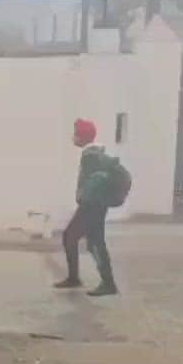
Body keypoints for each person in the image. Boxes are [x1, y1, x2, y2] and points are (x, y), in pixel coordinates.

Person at [54, 119, 118, 297]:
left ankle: (96, 282)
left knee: (71, 237)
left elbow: (93, 183)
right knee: (95, 243)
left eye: (76, 133)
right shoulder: (95, 153)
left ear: (83, 136)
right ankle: (105, 282)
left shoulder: (90, 156)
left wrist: (83, 200)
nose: (74, 136)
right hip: (96, 205)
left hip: (91, 206)